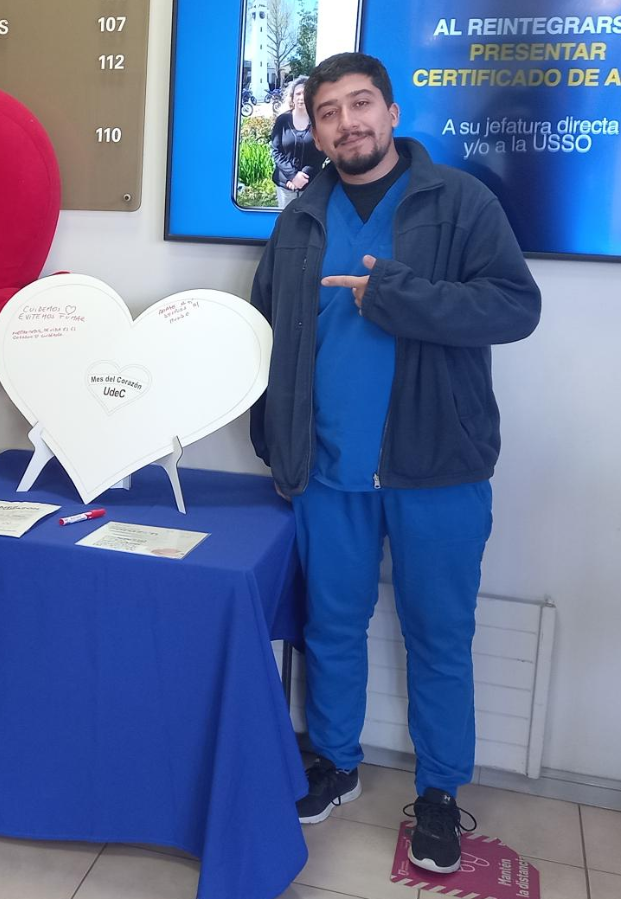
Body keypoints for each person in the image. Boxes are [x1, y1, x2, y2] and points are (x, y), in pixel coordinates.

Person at [248, 53, 540, 873]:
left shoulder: (459, 202)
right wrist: (277, 443)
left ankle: (441, 794)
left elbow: (517, 306)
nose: (348, 122)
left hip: (437, 470)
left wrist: (402, 297)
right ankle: (337, 763)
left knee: (439, 637)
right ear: (316, 126)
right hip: (329, 472)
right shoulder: (300, 219)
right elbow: (267, 335)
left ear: (391, 109)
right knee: (330, 627)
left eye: (361, 103)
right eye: (330, 110)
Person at [270, 76, 327, 209]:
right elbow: (276, 150)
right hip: (285, 184)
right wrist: (292, 176)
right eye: (298, 94)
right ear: (293, 97)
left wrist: (302, 177)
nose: (301, 97)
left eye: (305, 93)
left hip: (311, 183)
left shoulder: (319, 122)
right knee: (286, 225)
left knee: (306, 225)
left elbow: (322, 151)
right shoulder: (282, 121)